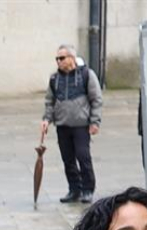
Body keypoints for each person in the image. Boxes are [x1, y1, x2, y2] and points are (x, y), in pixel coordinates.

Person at [41, 45, 103, 204]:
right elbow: (49, 101)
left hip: (81, 125)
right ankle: (74, 189)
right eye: (57, 59)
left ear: (71, 58)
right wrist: (46, 119)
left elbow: (96, 99)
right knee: (67, 159)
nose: (58, 61)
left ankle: (88, 189)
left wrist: (95, 121)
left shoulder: (86, 75)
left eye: (61, 58)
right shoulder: (54, 79)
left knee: (83, 157)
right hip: (62, 125)